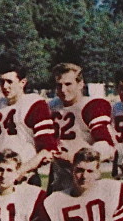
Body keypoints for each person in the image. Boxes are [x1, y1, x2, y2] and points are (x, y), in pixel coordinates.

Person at [0, 63, 57, 183]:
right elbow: (0, 145)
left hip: (24, 175)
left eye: (9, 81)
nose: (5, 86)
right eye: (2, 82)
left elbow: (47, 148)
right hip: (0, 174)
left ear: (22, 82)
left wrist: (21, 171)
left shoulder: (33, 104)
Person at [47, 63, 115, 192]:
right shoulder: (51, 106)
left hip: (85, 175)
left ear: (80, 84)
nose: (63, 90)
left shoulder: (92, 106)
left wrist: (78, 157)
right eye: (59, 85)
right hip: (59, 175)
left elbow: (106, 145)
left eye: (68, 84)